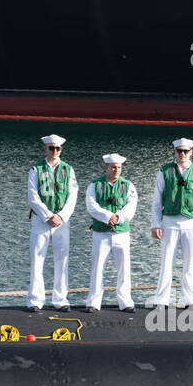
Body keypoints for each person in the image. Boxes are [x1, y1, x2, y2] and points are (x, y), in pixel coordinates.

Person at [149, 137, 193, 307]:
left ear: (191, 152)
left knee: (190, 264)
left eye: (185, 151)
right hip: (169, 222)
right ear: (175, 152)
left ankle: (190, 299)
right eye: (179, 151)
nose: (182, 154)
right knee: (166, 263)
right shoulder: (165, 171)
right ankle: (161, 300)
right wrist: (155, 224)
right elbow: (157, 201)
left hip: (191, 223)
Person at [26, 133, 77, 313]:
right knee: (37, 259)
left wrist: (61, 216)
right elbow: (32, 196)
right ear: (45, 149)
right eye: (51, 148)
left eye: (57, 148)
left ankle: (60, 299)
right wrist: (48, 215)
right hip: (41, 220)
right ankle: (35, 300)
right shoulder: (35, 169)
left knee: (62, 260)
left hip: (62, 222)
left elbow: (72, 196)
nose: (54, 151)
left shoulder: (68, 170)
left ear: (61, 150)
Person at [84, 153, 137, 313]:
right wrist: (107, 216)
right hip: (101, 233)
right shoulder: (94, 185)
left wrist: (118, 217)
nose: (116, 170)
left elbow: (131, 206)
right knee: (98, 267)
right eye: (113, 167)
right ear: (106, 167)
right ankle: (93, 302)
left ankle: (125, 301)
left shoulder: (128, 186)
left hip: (121, 233)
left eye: (119, 167)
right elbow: (91, 206)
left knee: (124, 268)